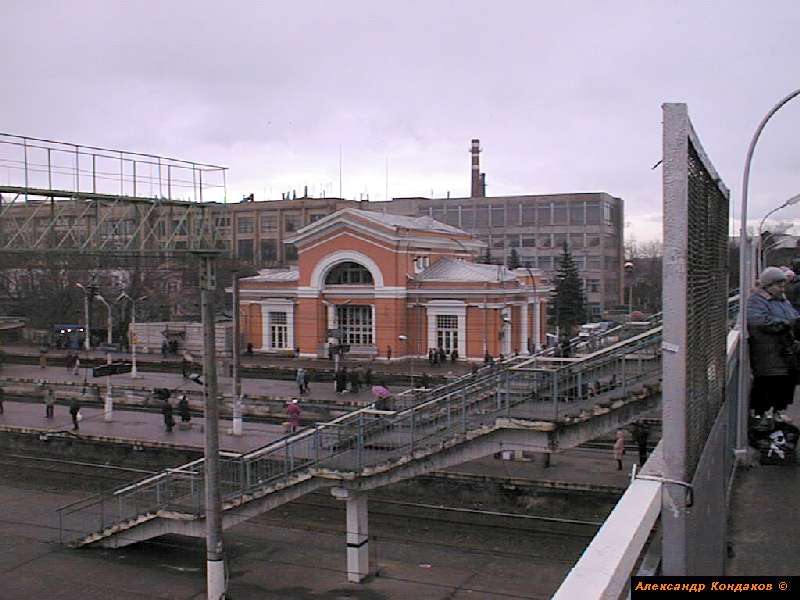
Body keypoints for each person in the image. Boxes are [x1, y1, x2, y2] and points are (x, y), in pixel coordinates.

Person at [747, 266, 800, 420]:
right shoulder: (756, 300)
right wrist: (786, 323)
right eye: (778, 285)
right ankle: (762, 415)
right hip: (768, 351)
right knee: (768, 383)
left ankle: (777, 412)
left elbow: (794, 316)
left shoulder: (782, 300)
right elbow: (758, 321)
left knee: (785, 383)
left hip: (785, 351)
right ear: (768, 285)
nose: (782, 289)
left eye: (783, 285)